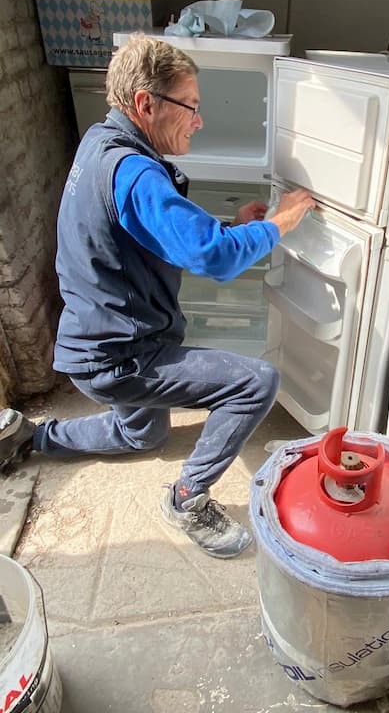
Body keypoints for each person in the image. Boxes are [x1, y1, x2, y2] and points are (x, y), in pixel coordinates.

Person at [0, 34, 315, 559]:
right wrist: (279, 225)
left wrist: (225, 225)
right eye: (191, 106)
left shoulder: (101, 144)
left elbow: (149, 233)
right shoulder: (136, 172)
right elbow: (215, 259)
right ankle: (187, 499)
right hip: (122, 355)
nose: (199, 120)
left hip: (90, 343)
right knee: (257, 381)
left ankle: (31, 439)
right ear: (147, 104)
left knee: (142, 436)